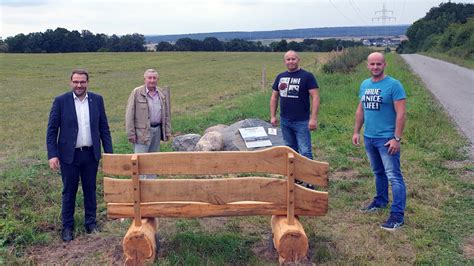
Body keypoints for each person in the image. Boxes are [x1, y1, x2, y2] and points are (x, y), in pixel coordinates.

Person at [47, 69, 113, 242]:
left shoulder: (97, 100)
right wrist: (52, 154)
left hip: (91, 155)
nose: (79, 85)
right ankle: (67, 226)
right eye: (76, 82)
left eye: (82, 82)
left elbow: (104, 128)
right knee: (69, 192)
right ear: (71, 82)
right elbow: (52, 130)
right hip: (69, 156)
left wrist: (110, 154)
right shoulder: (61, 101)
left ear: (87, 83)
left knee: (90, 190)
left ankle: (90, 223)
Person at [352, 52, 407, 231]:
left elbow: (401, 113)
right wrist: (356, 131)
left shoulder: (394, 85)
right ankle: (380, 201)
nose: (375, 67)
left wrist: (396, 138)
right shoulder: (365, 85)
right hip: (369, 137)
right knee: (378, 172)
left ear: (385, 65)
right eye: (372, 64)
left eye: (379, 64)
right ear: (367, 65)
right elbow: (361, 110)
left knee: (394, 176)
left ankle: (397, 215)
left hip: (386, 139)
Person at [270, 50, 320, 160]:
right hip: (285, 121)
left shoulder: (307, 76)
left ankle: (307, 176)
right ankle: (294, 175)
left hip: (302, 121)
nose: (291, 61)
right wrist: (273, 116)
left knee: (305, 151)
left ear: (298, 60)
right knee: (290, 149)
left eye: (293, 59)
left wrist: (313, 119)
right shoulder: (280, 77)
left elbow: (315, 97)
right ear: (285, 62)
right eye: (288, 59)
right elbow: (274, 97)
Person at [125, 69, 171, 178]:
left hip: (157, 130)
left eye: (154, 78)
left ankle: (151, 187)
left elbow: (166, 113)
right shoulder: (137, 92)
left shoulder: (161, 93)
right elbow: (129, 113)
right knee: (140, 162)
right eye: (149, 78)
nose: (152, 80)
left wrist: (167, 131)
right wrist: (131, 133)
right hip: (141, 133)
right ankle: (140, 188)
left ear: (157, 79)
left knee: (153, 161)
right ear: (144, 79)